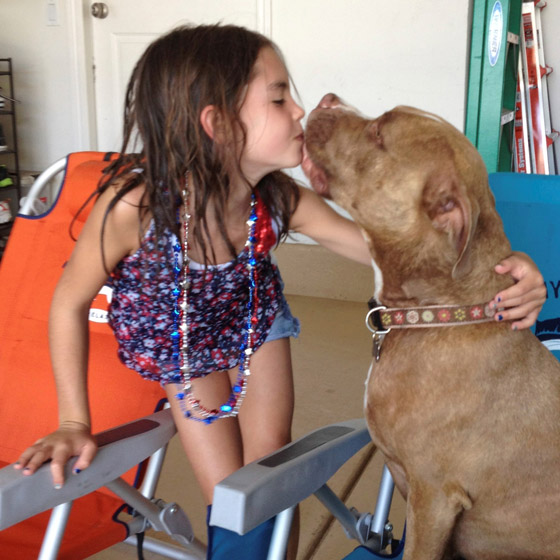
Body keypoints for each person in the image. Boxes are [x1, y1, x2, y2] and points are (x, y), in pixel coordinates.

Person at [14, 24, 545, 559]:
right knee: (230, 498)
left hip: (255, 324)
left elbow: (387, 249)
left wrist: (508, 267)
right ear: (217, 124)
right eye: (278, 97)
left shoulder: (276, 198)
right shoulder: (133, 208)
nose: (299, 109)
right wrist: (74, 423)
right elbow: (68, 301)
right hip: (181, 344)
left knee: (269, 475)